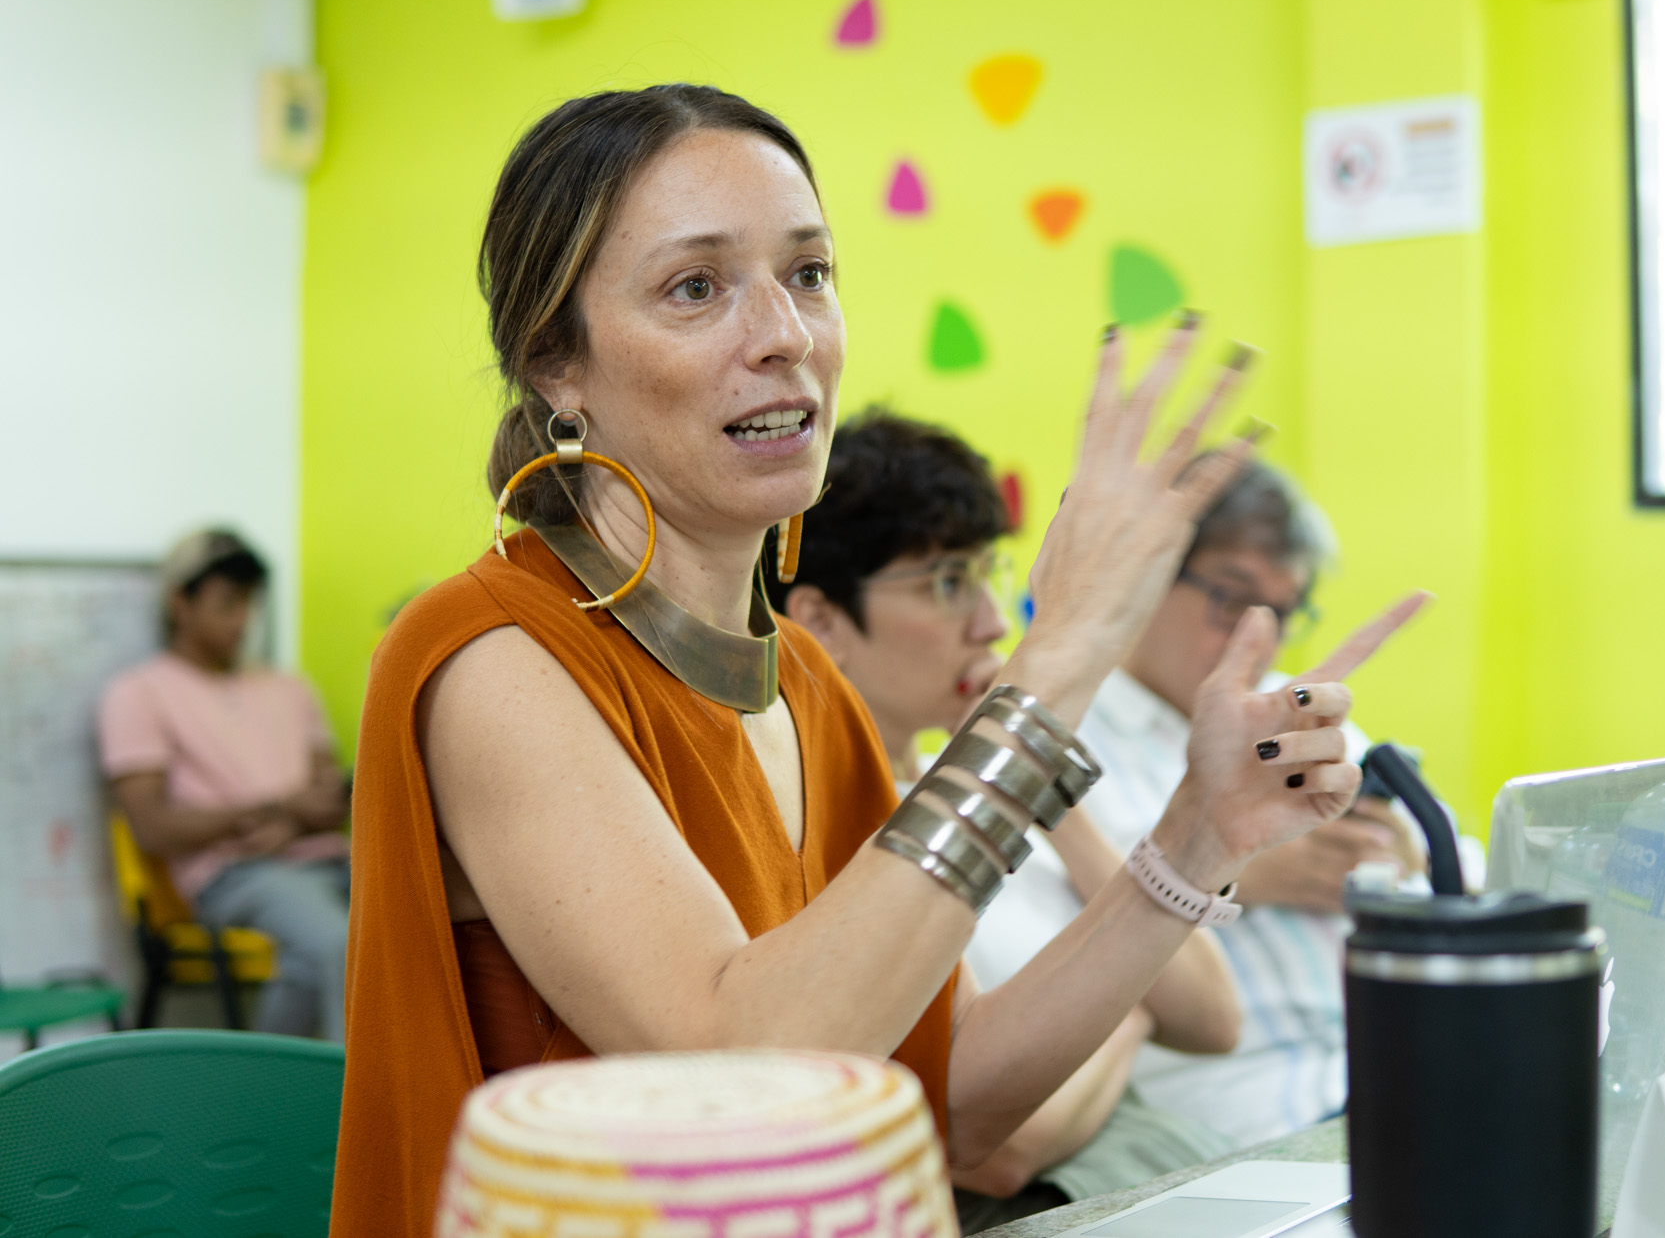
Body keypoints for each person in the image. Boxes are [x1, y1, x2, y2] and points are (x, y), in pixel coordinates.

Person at [333, 83, 1404, 1236]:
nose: (785, 335)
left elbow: (942, 1111)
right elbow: (741, 1082)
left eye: (808, 274)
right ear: (559, 365)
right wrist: (1053, 668)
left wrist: (1199, 832)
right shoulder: (491, 658)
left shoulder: (807, 683)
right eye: (696, 288)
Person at [770, 407, 1240, 1230]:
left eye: (990, 573)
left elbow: (1210, 1017)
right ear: (821, 621)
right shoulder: (840, 826)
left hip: (1155, 1168)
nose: (991, 620)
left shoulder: (995, 784)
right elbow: (1000, 1144)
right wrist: (1128, 1009)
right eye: (947, 582)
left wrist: (1051, 800)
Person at [972, 461, 1470, 1150]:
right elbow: (1052, 947)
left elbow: (1464, 868)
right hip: (1253, 1107)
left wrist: (1407, 851)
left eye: (1283, 612)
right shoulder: (1066, 736)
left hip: (1403, 1063)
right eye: (1230, 600)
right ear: (1154, 577)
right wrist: (1235, 870)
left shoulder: (1293, 705)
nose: (1255, 638)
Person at [99, 529, 350, 1040]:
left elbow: (333, 798)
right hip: (233, 873)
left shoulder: (288, 687)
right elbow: (151, 828)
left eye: (249, 603)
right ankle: (360, 1113)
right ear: (180, 604)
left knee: (433, 916)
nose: (242, 619)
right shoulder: (138, 693)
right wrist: (278, 812)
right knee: (335, 945)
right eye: (226, 604)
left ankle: (272, 1097)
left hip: (326, 856)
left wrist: (295, 821)